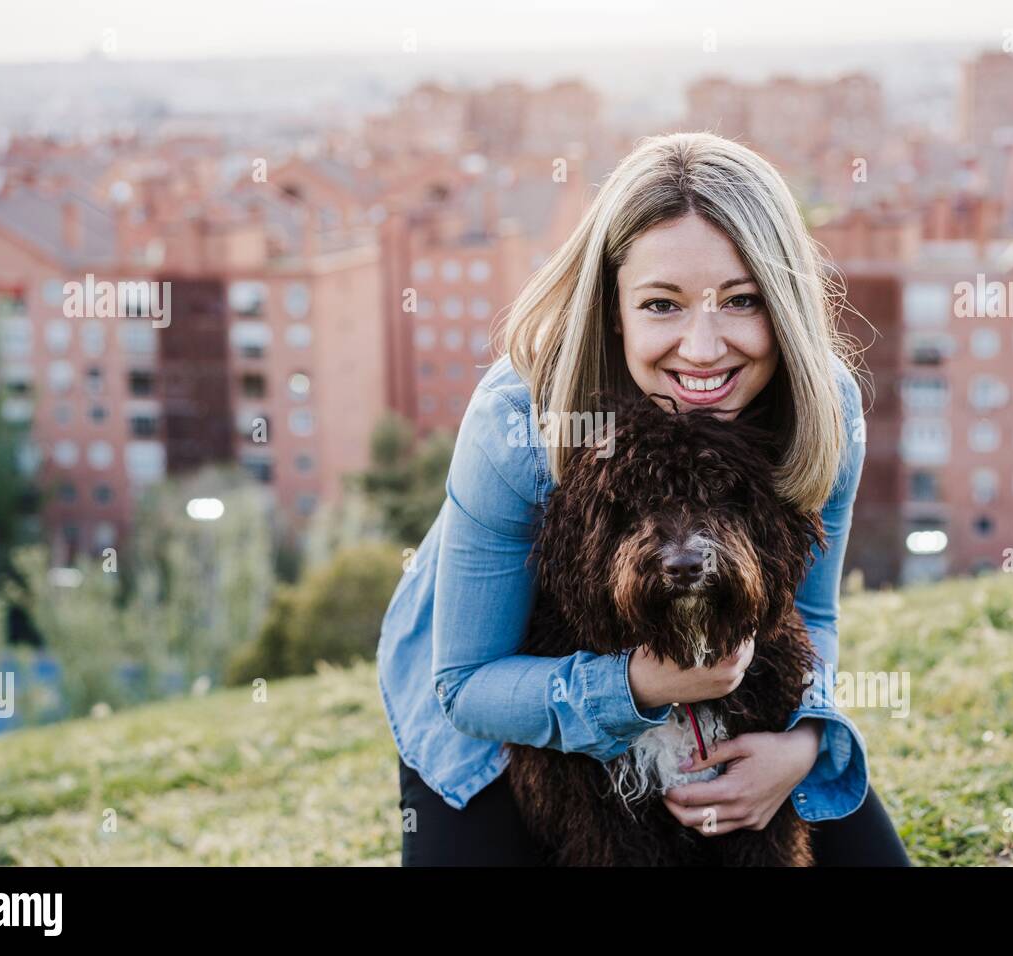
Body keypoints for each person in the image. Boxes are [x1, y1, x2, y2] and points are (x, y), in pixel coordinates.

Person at [377, 131, 910, 866]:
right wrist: (637, 687)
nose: (701, 349)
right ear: (614, 306)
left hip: (733, 693)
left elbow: (811, 615)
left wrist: (803, 742)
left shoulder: (823, 408)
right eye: (662, 304)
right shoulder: (522, 419)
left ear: (784, 301)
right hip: (504, 717)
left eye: (742, 300)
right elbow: (468, 685)